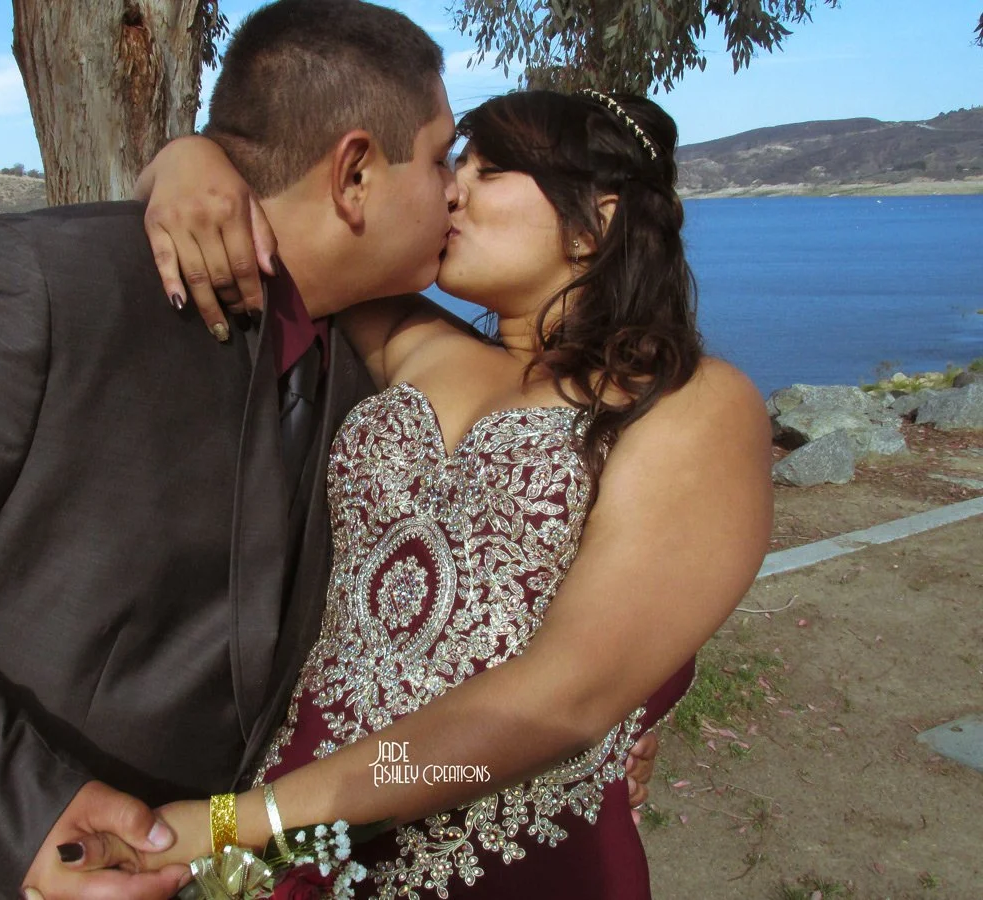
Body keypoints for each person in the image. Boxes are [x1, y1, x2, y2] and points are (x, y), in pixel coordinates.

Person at [0, 3, 656, 898]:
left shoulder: (387, 377)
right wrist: (20, 814)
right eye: (440, 160)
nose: (453, 193)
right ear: (354, 172)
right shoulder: (43, 292)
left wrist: (604, 727)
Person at [73, 81, 772, 899]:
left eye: (490, 171)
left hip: (493, 863)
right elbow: (275, 219)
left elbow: (568, 695)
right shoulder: (411, 340)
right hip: (282, 840)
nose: (451, 190)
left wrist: (239, 820)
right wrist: (186, 159)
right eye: (454, 164)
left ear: (597, 224)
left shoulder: (692, 404)